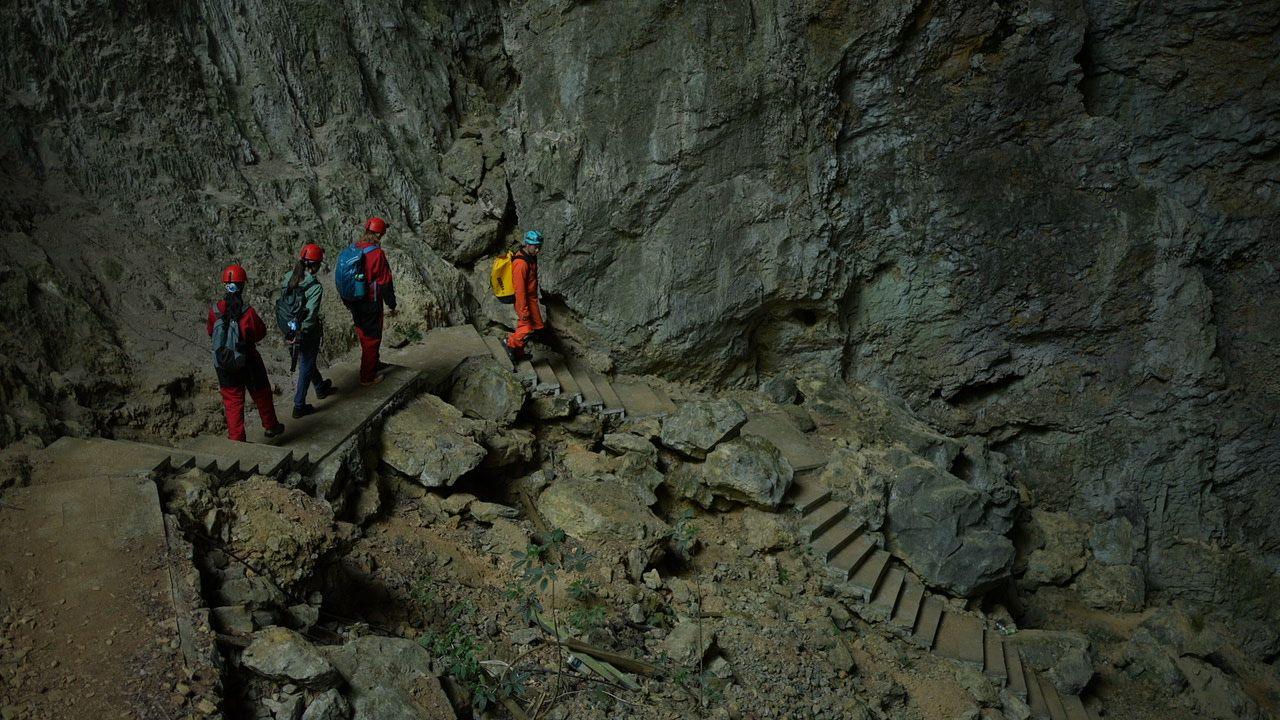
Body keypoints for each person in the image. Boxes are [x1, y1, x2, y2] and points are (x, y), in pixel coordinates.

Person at [207, 264, 285, 442]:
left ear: (224, 285)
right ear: (242, 286)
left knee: (233, 402)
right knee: (261, 392)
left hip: (223, 363)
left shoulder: (215, 311)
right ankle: (271, 426)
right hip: (248, 360)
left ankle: (237, 439)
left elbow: (211, 331)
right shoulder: (247, 312)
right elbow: (260, 332)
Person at [344, 217, 397, 386]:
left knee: (363, 332)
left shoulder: (355, 248)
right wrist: (392, 303)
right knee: (372, 338)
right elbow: (385, 281)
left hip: (354, 301)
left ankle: (374, 364)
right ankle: (367, 377)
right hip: (370, 302)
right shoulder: (377, 253)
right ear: (380, 235)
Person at [282, 244, 334, 418]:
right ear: (316, 266)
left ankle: (320, 387)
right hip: (305, 333)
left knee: (307, 361)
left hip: (288, 329)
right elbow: (310, 318)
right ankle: (299, 405)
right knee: (306, 364)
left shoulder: (288, 277)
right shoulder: (315, 287)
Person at [503, 230, 545, 363]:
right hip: (523, 301)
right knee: (526, 328)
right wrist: (523, 310)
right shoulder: (521, 264)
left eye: (539, 247)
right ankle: (509, 343)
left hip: (531, 299)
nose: (538, 250)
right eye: (535, 247)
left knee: (535, 326)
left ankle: (518, 352)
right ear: (527, 244)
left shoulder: (530, 257)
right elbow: (519, 290)